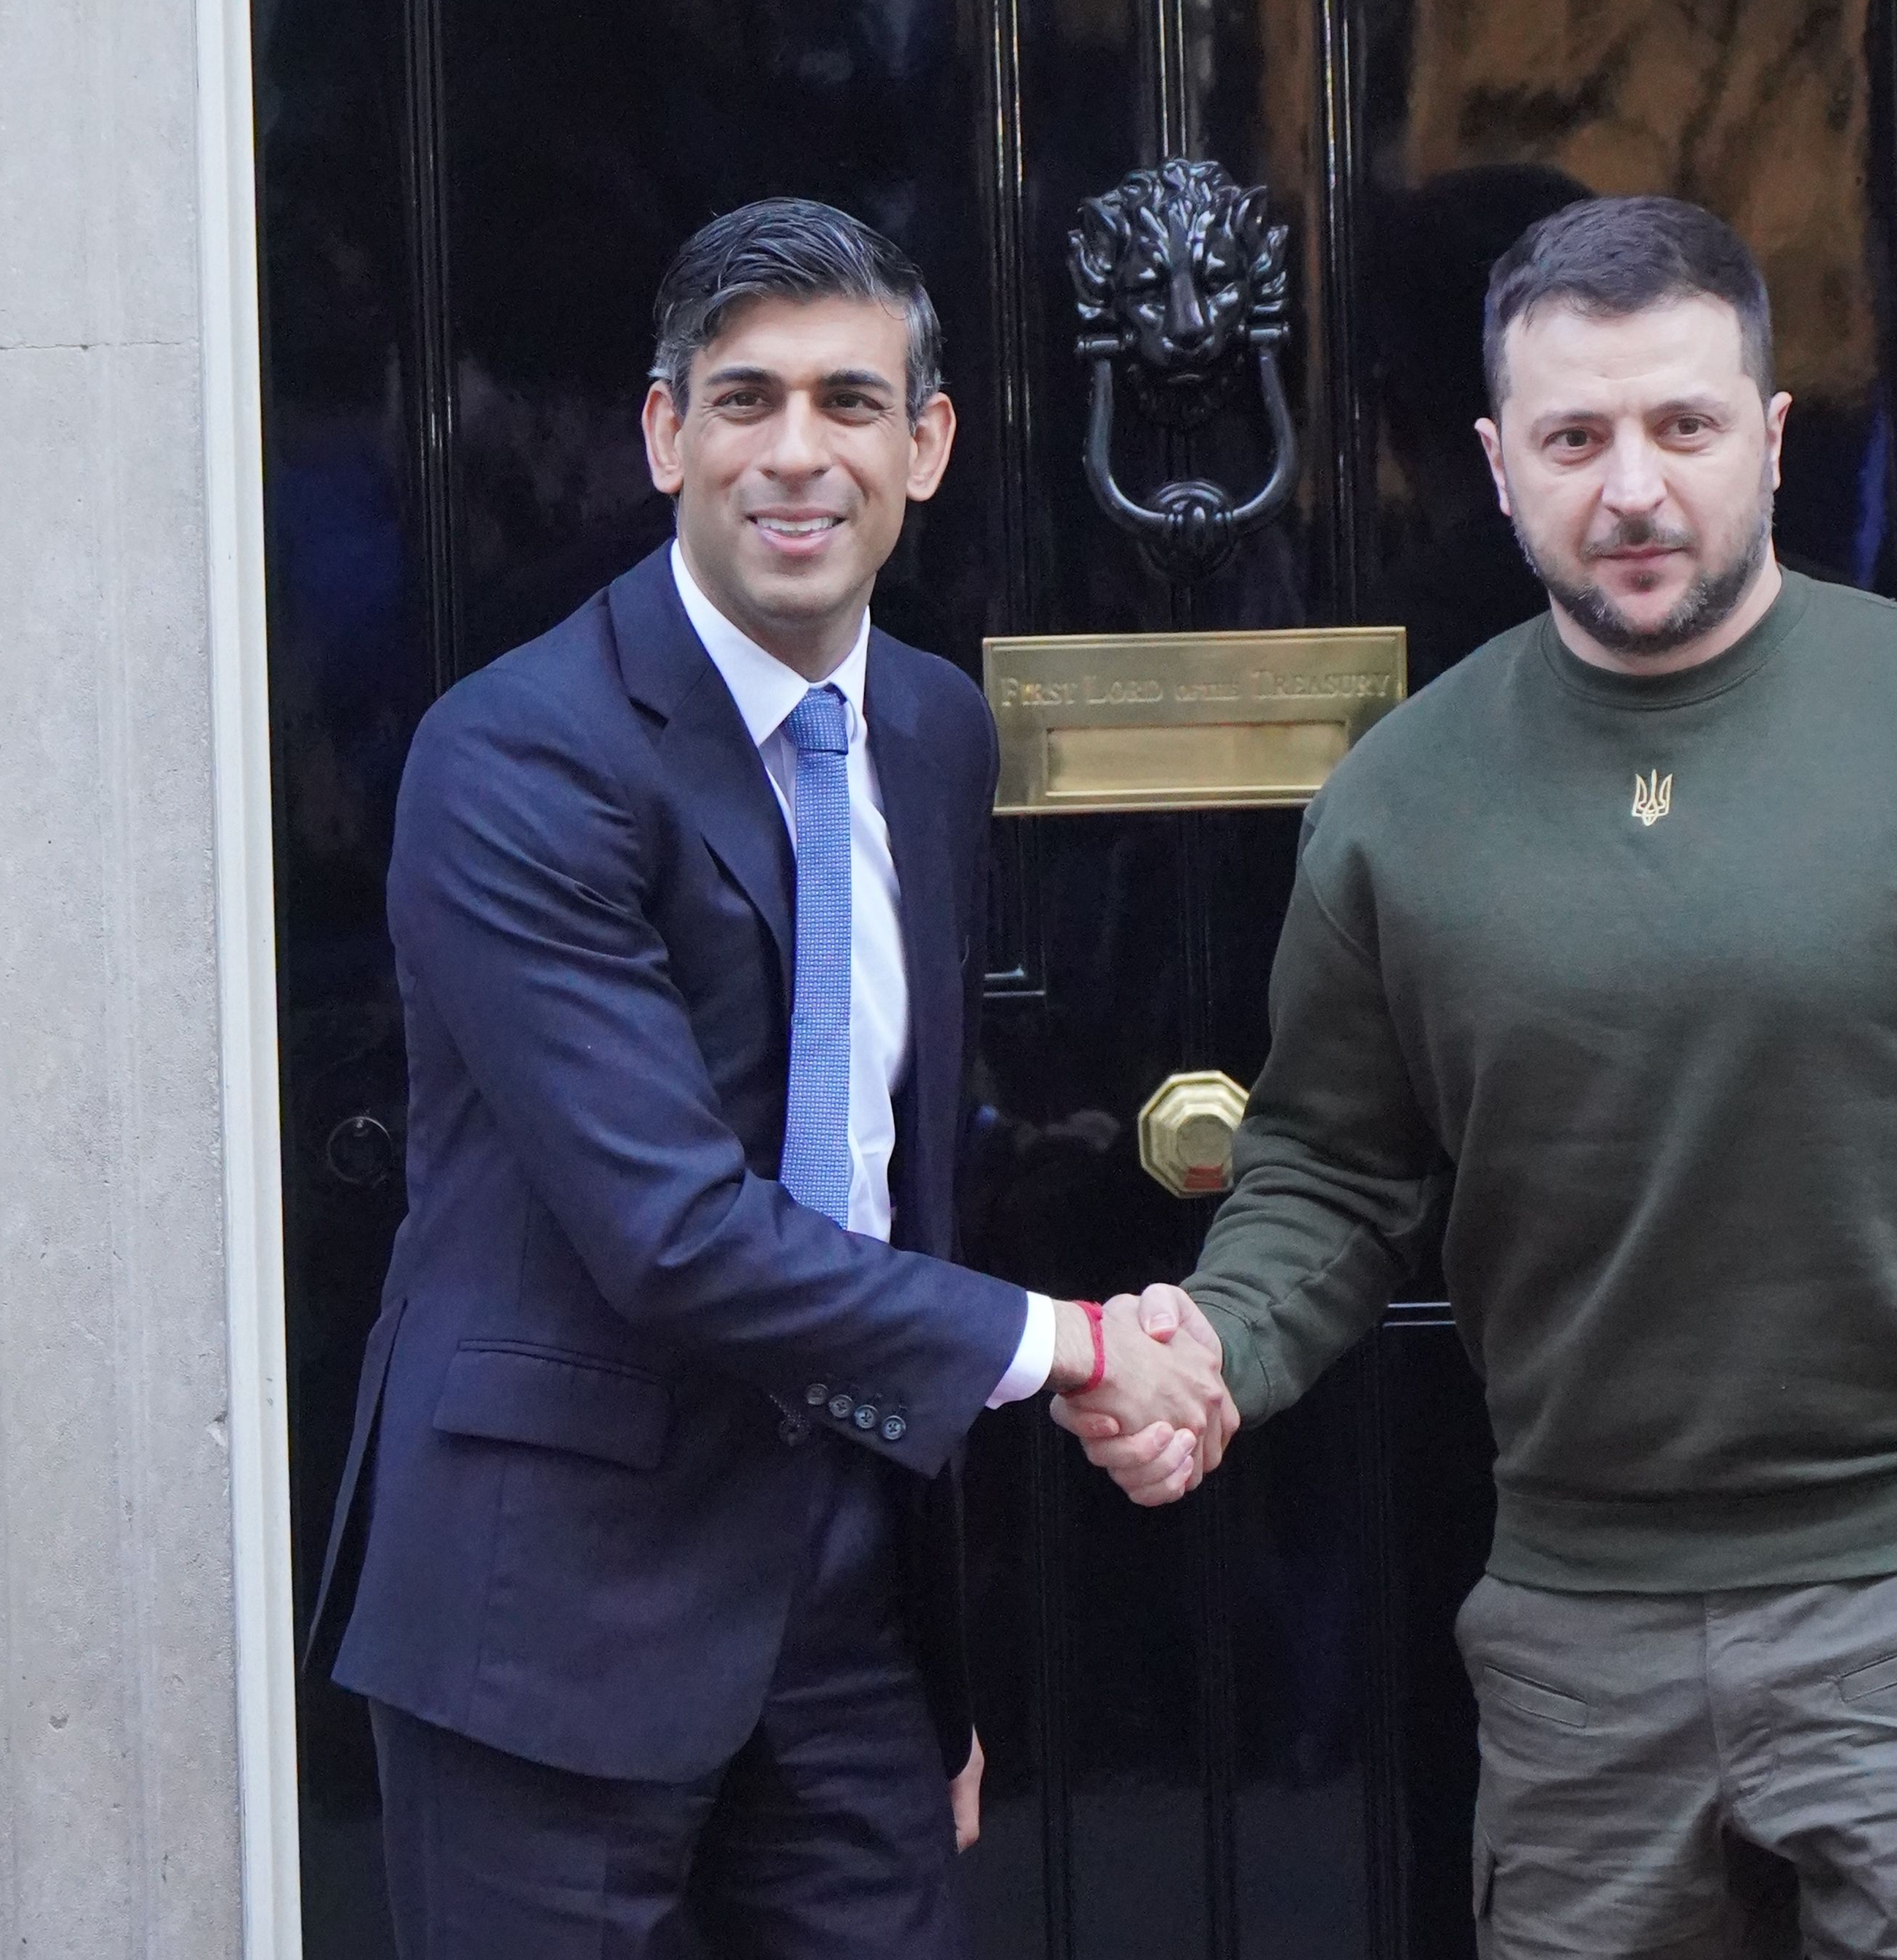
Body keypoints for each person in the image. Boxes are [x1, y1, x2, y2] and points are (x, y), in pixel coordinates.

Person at [1062, 194, 1897, 1959]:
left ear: (1769, 436)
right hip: (1577, 1638)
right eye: (1574, 437)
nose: (1632, 488)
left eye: (1683, 426)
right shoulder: (1402, 799)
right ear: (1493, 462)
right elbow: (1330, 1161)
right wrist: (1219, 1347)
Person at [305, 197, 1229, 1960]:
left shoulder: (939, 734)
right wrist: (1080, 1343)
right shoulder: (514, 755)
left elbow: (892, 1168)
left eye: (850, 401)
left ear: (928, 445)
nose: (795, 453)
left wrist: (926, 1673)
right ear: (665, 435)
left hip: (850, 1621)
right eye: (743, 400)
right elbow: (671, 1229)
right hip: (551, 1612)